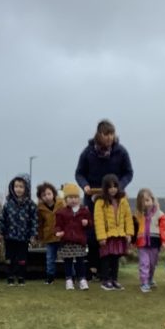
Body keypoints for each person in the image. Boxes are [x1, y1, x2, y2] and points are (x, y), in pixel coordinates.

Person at [74, 120, 134, 279]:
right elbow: (79, 173)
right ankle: (93, 268)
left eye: (112, 134)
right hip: (93, 197)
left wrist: (119, 186)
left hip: (114, 197)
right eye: (106, 134)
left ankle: (109, 270)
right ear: (99, 134)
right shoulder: (88, 152)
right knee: (93, 232)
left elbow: (129, 173)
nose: (109, 137)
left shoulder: (121, 152)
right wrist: (84, 185)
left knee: (112, 232)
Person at [92, 173, 133, 291]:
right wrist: (101, 237)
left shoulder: (123, 200)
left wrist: (129, 233)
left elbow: (128, 217)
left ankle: (114, 280)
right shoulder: (100, 202)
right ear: (105, 188)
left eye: (115, 186)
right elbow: (98, 220)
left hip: (119, 235)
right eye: (110, 187)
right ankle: (105, 281)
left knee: (115, 258)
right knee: (106, 258)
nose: (113, 189)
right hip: (106, 236)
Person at [0, 173, 37, 285]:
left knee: (22, 258)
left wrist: (33, 234)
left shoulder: (30, 204)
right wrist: (0, 232)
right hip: (9, 236)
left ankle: (21, 277)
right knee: (9, 257)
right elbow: (2, 219)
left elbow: (34, 220)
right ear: (12, 187)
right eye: (16, 186)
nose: (18, 189)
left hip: (23, 237)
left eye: (21, 187)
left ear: (26, 188)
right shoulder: (8, 203)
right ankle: (10, 277)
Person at [53, 182, 92, 290]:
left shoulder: (84, 210)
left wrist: (87, 223)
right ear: (66, 199)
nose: (73, 200)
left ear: (79, 198)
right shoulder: (61, 212)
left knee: (80, 261)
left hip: (79, 241)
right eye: (70, 197)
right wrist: (58, 232)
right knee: (68, 261)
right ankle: (69, 280)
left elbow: (90, 224)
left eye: (75, 197)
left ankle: (82, 280)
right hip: (67, 241)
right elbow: (58, 225)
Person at [131, 188, 165, 293]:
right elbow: (134, 229)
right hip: (142, 244)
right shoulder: (137, 215)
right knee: (144, 263)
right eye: (142, 202)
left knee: (152, 264)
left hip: (155, 242)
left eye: (147, 200)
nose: (145, 204)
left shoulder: (159, 214)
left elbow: (164, 228)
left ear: (152, 199)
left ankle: (150, 279)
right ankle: (144, 282)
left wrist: (164, 241)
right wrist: (132, 241)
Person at [35, 182, 63, 284]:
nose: (47, 197)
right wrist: (39, 236)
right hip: (49, 236)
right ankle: (50, 277)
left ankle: (71, 276)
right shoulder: (40, 209)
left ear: (53, 193)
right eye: (43, 195)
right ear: (40, 197)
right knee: (50, 258)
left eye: (48, 194)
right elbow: (40, 223)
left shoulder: (61, 204)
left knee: (67, 256)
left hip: (62, 236)